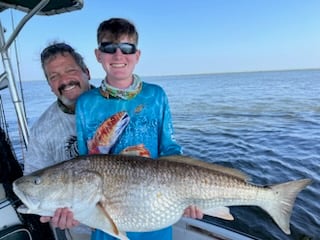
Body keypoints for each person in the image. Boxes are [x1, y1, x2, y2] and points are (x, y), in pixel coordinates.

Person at [75, 17, 203, 240]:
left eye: (126, 48)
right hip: (107, 216)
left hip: (156, 208)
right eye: (109, 48)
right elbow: (84, 163)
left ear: (137, 55)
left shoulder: (156, 95)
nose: (118, 56)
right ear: (98, 55)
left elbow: (170, 148)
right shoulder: (86, 103)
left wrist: (191, 193)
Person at [23, 42, 93, 240]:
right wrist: (51, 212)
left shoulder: (120, 106)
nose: (64, 80)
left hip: (133, 216)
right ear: (50, 86)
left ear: (86, 72)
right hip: (80, 228)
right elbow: (33, 182)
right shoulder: (42, 130)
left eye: (70, 70)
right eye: (54, 77)